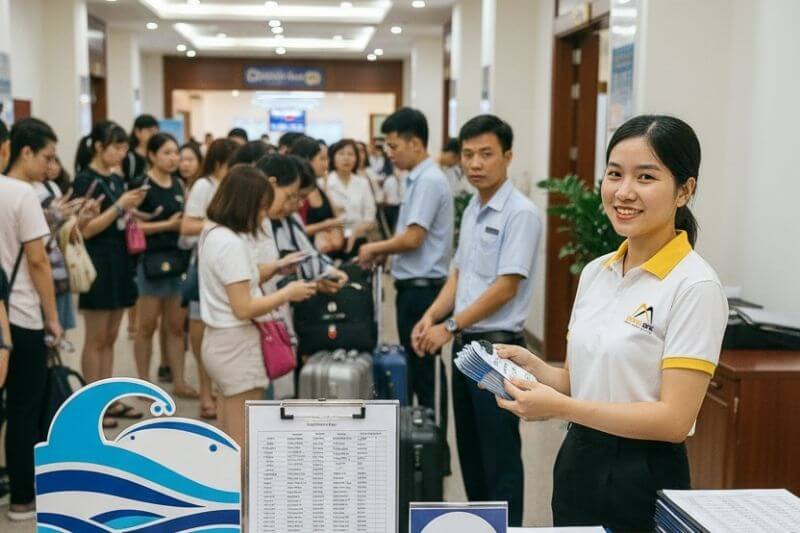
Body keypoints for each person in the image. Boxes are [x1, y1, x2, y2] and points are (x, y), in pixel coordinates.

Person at [495, 115, 728, 531]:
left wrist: (561, 407)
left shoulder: (695, 285)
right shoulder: (596, 272)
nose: (624, 192)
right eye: (615, 174)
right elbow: (578, 380)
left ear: (685, 190)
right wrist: (538, 372)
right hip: (577, 460)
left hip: (644, 476)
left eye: (646, 177)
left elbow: (673, 420)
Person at [413, 115, 542, 526]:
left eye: (486, 154)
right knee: (470, 448)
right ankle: (479, 523)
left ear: (507, 156)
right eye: (468, 155)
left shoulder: (521, 213)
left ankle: (509, 527)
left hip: (498, 346)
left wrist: (447, 327)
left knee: (499, 452)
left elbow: (505, 286)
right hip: (467, 342)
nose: (475, 163)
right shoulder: (471, 206)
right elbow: (459, 272)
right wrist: (431, 314)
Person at [357, 106, 454, 470]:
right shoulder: (416, 178)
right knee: (414, 370)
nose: (389, 153)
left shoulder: (428, 180)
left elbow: (413, 238)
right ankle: (419, 442)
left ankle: (430, 451)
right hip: (412, 284)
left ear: (416, 143)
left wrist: (374, 248)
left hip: (423, 290)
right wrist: (388, 256)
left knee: (423, 372)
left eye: (394, 145)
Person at [198, 164, 317, 446]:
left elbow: (239, 281)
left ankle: (224, 488)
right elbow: (244, 307)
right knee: (242, 439)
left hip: (219, 341)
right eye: (261, 208)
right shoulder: (232, 244)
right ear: (246, 205)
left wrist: (275, 268)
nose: (264, 215)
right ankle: (238, 490)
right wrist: (287, 293)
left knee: (227, 432)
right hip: (238, 346)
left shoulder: (214, 233)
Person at [0, 118, 64, 521]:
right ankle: (23, 496)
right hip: (20, 314)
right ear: (14, 150)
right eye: (47, 156)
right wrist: (53, 318)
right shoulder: (20, 194)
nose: (49, 165)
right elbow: (38, 261)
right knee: (24, 406)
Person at [73, 121, 148, 427]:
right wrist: (119, 207)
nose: (121, 153)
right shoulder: (84, 181)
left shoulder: (116, 179)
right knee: (95, 337)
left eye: (124, 148)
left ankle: (107, 398)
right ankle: (92, 405)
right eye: (116, 147)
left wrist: (129, 209)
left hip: (120, 260)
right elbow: (85, 229)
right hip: (98, 262)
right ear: (98, 147)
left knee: (112, 336)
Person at [130, 133, 197, 398]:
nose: (173, 158)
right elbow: (132, 228)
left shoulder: (179, 185)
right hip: (150, 263)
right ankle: (143, 384)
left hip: (178, 261)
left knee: (176, 327)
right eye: (167, 153)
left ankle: (179, 382)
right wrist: (167, 225)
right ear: (152, 155)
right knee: (146, 326)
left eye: (175, 153)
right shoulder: (142, 185)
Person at [180, 137, 239, 420]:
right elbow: (187, 225)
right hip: (203, 265)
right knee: (201, 332)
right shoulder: (204, 186)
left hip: (227, 266)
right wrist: (221, 225)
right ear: (218, 162)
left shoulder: (232, 185)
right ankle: (206, 392)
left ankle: (217, 389)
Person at [289, 136, 345, 254]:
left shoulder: (320, 186)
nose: (326, 165)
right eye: (322, 159)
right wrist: (324, 226)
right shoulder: (297, 192)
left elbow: (335, 217)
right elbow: (295, 229)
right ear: (307, 160)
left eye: (327, 159)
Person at [325, 139, 376, 254]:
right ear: (333, 157)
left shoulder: (362, 183)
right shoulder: (325, 182)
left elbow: (370, 217)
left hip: (358, 239)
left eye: (350, 154)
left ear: (357, 158)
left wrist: (354, 233)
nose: (346, 158)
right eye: (341, 153)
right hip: (332, 241)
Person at [122, 114, 159, 185]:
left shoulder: (158, 154)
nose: (154, 134)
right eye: (150, 130)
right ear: (137, 132)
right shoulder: (128, 156)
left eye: (156, 130)